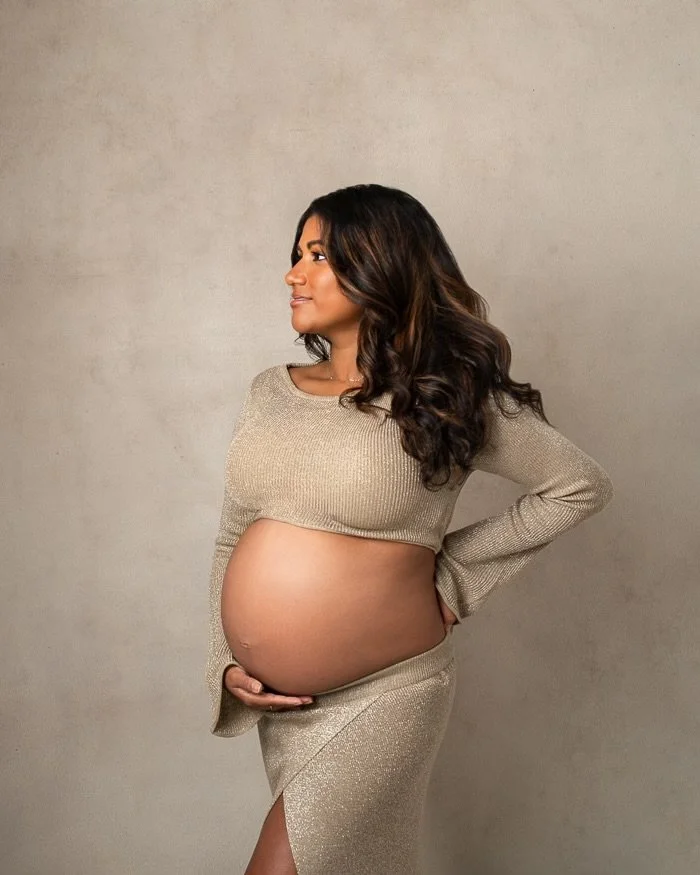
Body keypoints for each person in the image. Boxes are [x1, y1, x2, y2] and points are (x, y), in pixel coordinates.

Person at [206, 183, 614, 875]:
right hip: (285, 711)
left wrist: (452, 579)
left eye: (318, 255)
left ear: (380, 266)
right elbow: (233, 534)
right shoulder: (267, 393)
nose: (292, 273)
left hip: (386, 695)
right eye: (296, 254)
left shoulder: (445, 395)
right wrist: (225, 659)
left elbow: (578, 485)